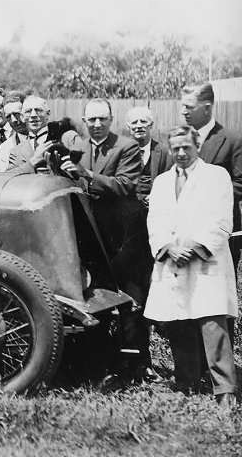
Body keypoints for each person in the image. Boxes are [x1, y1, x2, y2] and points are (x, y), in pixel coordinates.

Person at [58, 98, 153, 385]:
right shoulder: (79, 149)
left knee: (130, 299)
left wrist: (87, 175)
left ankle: (137, 364)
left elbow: (125, 185)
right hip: (89, 237)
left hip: (121, 236)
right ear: (84, 122)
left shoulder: (126, 147)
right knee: (94, 296)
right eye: (92, 120)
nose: (97, 125)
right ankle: (100, 362)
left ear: (111, 119)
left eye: (102, 119)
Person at [144, 125, 238, 406]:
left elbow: (222, 219)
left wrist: (196, 250)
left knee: (212, 325)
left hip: (205, 263)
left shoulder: (215, 176)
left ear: (197, 145)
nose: (181, 153)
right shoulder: (161, 181)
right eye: (176, 148)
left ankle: (225, 390)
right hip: (172, 260)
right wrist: (168, 249)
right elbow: (155, 221)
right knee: (178, 322)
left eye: (187, 147)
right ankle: (186, 383)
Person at [180, 83, 242, 242]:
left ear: (207, 108)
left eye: (189, 107)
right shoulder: (180, 139)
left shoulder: (232, 140)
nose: (183, 111)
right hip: (183, 229)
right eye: (182, 106)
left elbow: (240, 183)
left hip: (218, 230)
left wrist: (204, 196)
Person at [126, 107, 170, 206]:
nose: (139, 126)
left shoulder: (165, 152)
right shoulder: (121, 152)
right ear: (128, 127)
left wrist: (158, 196)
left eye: (143, 121)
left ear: (151, 125)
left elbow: (170, 183)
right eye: (134, 123)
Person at [7, 95, 53, 174]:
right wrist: (32, 162)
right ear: (22, 117)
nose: (33, 115)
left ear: (48, 113)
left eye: (38, 110)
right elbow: (7, 177)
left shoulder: (66, 139)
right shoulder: (16, 152)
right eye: (28, 111)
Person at [0, 91, 28, 172]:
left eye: (17, 114)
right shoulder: (5, 149)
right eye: (8, 116)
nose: (13, 120)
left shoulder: (44, 139)